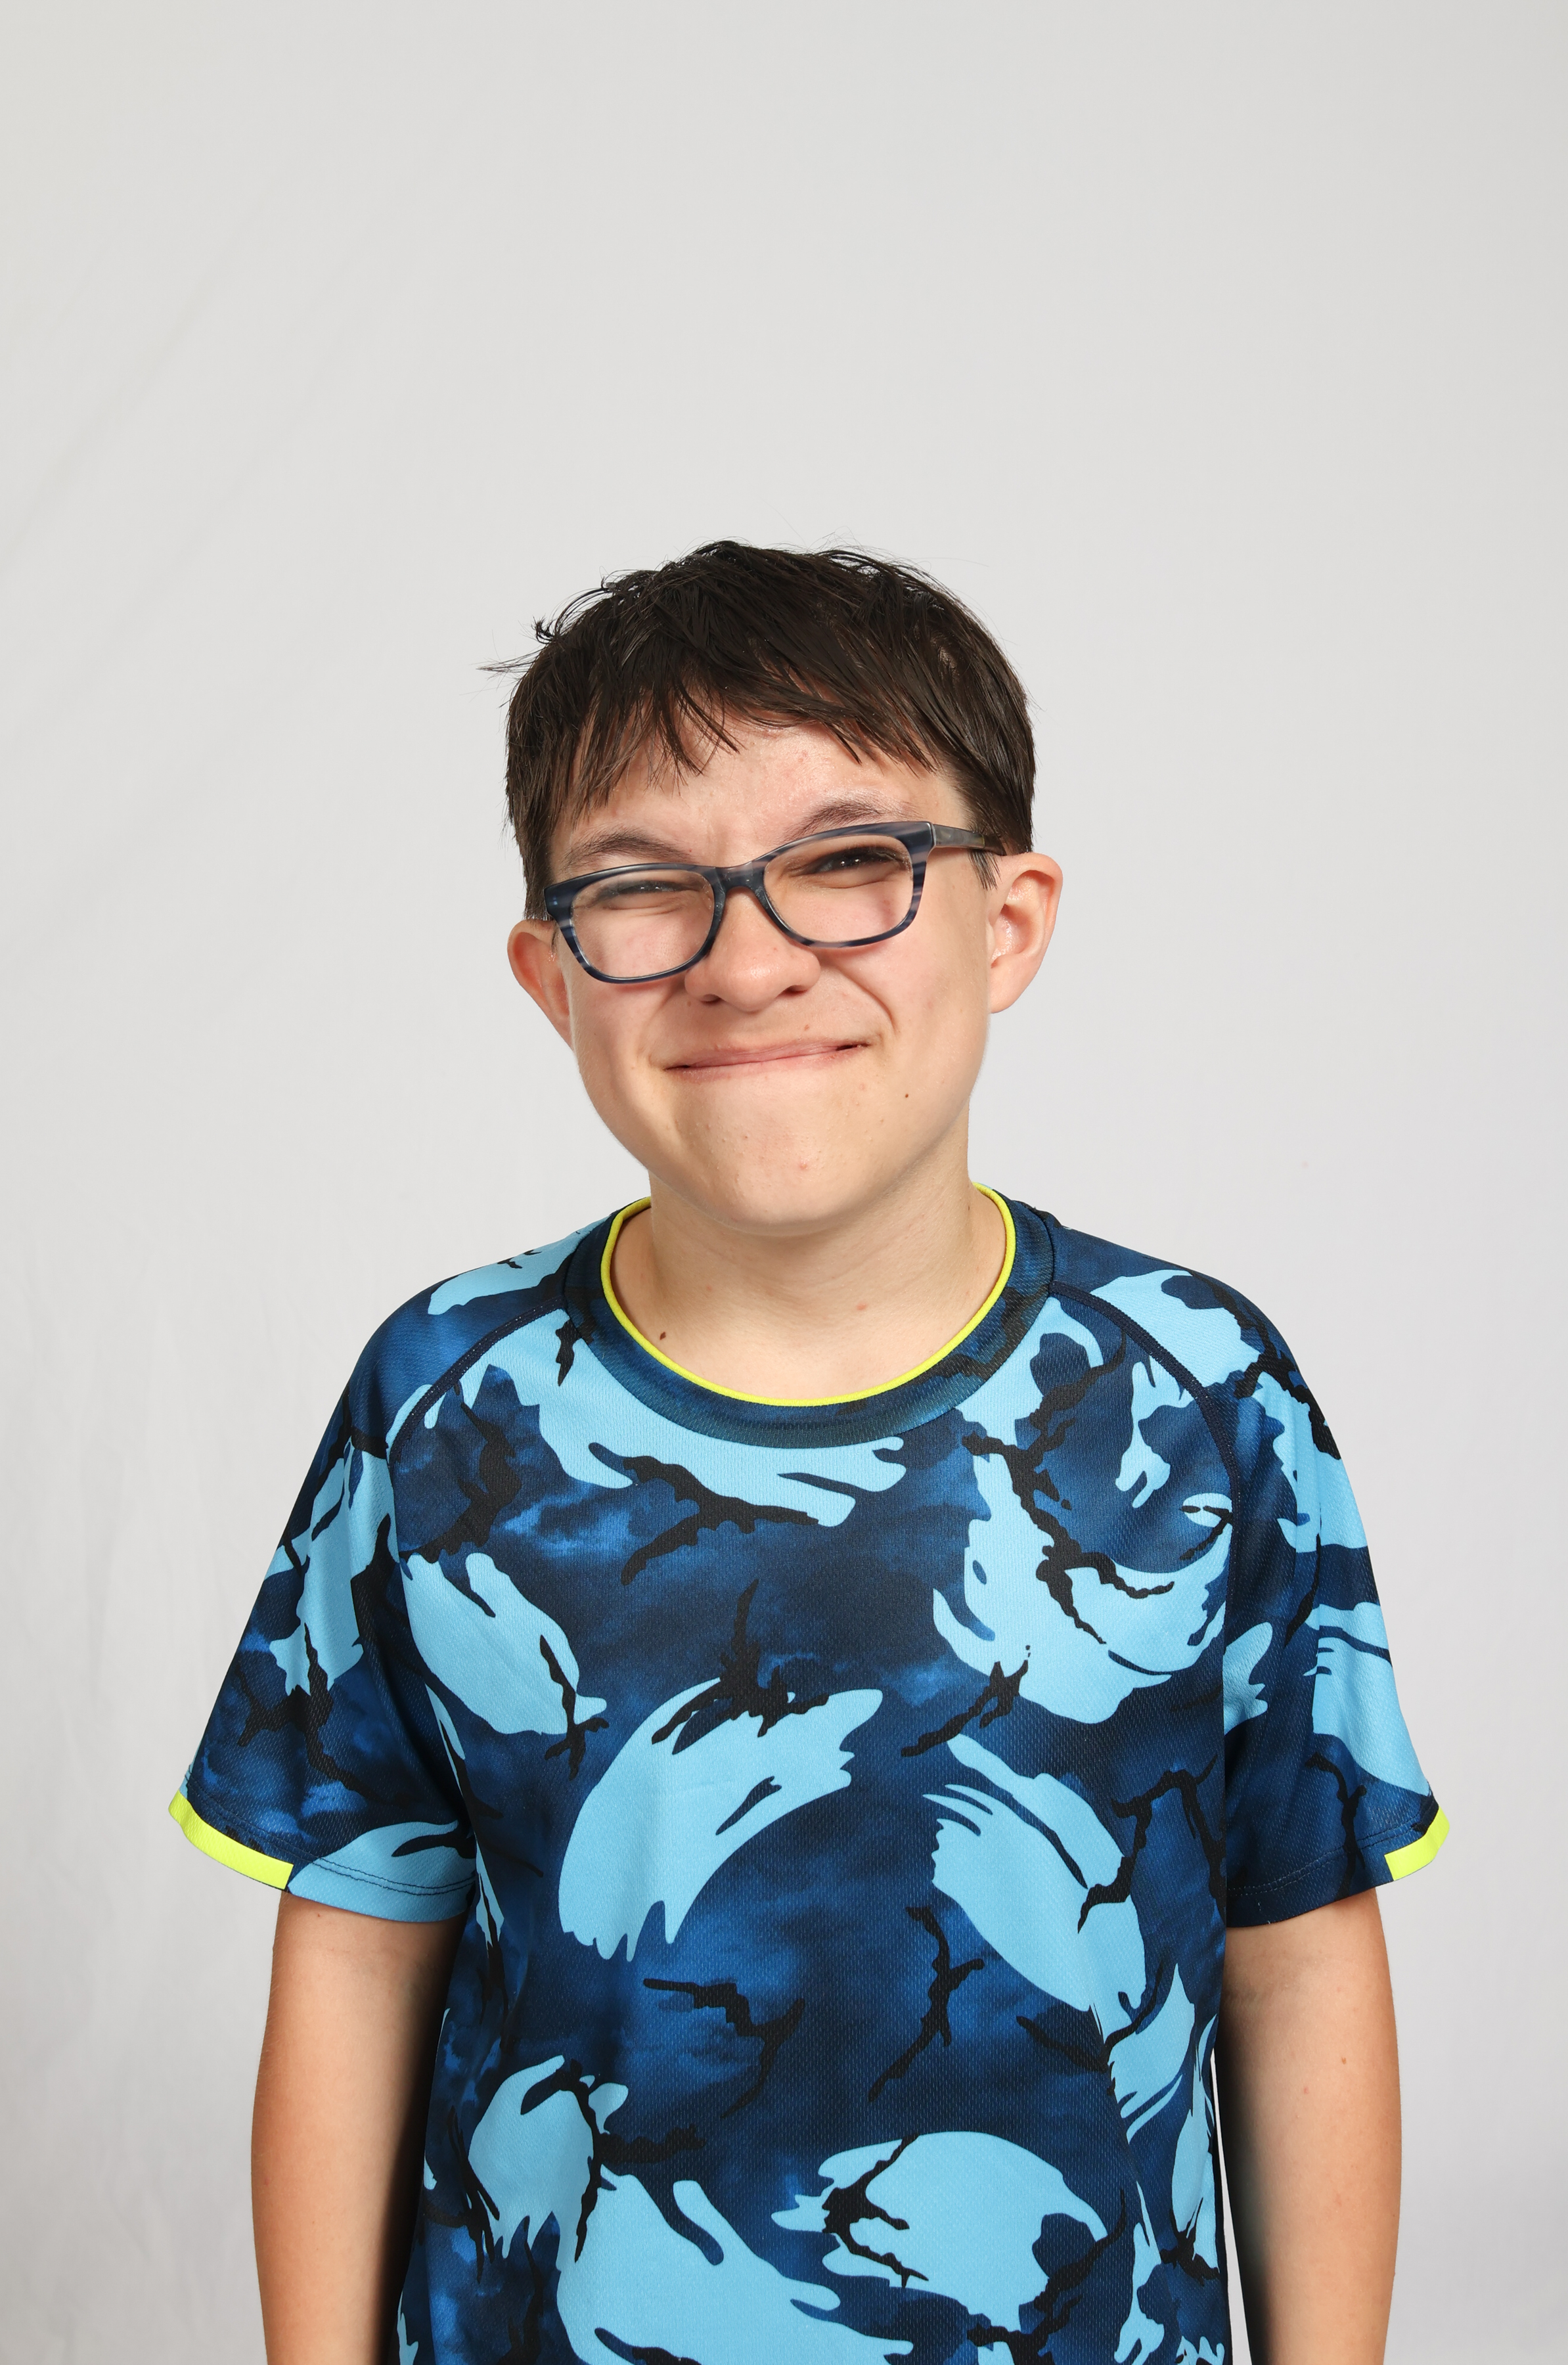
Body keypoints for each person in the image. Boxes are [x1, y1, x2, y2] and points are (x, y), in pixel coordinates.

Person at [172, 543, 1446, 2365]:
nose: (750, 963)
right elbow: (363, 1945)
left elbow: (1298, 1949)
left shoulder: (1198, 1394)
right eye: (643, 889)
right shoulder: (444, 1400)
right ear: (549, 972)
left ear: (1008, 921)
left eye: (853, 864)